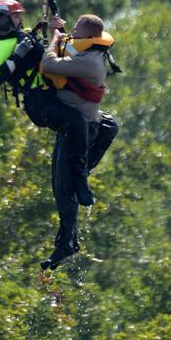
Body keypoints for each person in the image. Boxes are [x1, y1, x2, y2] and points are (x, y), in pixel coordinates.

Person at [0, 0, 96, 206]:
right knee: (76, 121)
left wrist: (58, 31)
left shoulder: (27, 36)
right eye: (15, 15)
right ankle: (80, 180)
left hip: (55, 93)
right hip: (38, 103)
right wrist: (17, 57)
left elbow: (63, 54)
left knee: (101, 123)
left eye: (19, 15)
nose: (19, 18)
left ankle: (80, 165)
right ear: (1, 21)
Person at [39, 14, 119, 270]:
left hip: (80, 132)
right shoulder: (84, 51)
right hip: (77, 129)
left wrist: (54, 37)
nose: (71, 34)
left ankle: (66, 246)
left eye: (76, 30)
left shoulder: (91, 63)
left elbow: (49, 64)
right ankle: (69, 240)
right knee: (66, 185)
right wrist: (58, 30)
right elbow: (66, 48)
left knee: (65, 189)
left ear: (88, 37)